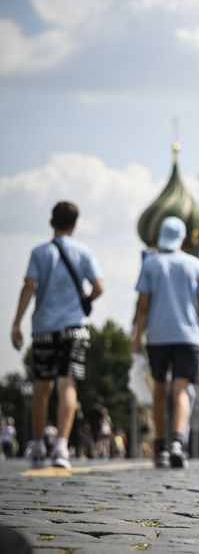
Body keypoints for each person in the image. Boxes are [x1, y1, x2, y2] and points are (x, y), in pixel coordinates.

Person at [11, 201, 104, 469]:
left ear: (52, 222)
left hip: (43, 328)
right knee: (68, 384)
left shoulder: (39, 252)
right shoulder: (83, 251)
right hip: (75, 327)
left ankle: (39, 444)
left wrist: (16, 323)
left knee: (42, 386)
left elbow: (29, 286)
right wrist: (85, 301)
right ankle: (62, 446)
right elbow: (99, 286)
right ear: (75, 224)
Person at [132, 216, 199, 469]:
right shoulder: (195, 264)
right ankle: (178, 441)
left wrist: (136, 340)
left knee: (159, 389)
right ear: (183, 239)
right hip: (188, 337)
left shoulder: (151, 265)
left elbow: (142, 306)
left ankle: (160, 445)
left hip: (157, 336)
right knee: (180, 390)